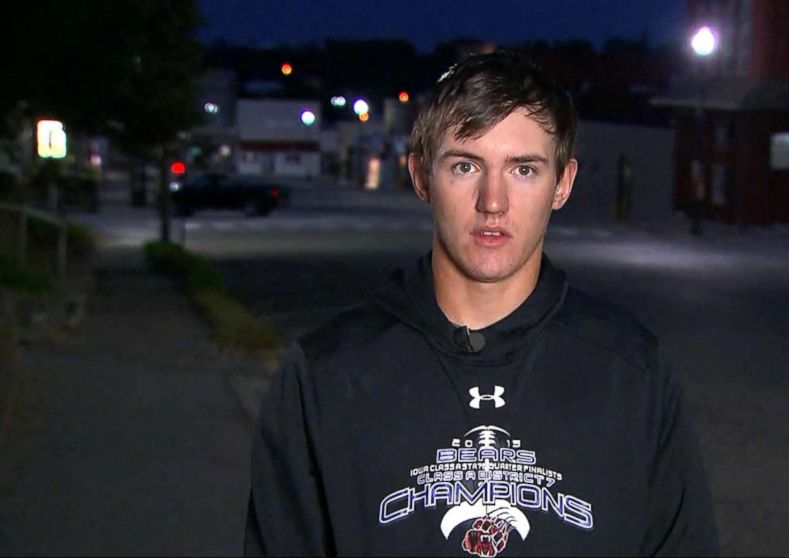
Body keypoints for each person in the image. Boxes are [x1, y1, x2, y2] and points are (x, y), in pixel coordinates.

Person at [244, 51, 719, 557]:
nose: (493, 201)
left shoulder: (633, 373)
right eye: (466, 165)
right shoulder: (324, 375)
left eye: (524, 170)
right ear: (422, 177)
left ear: (563, 183)